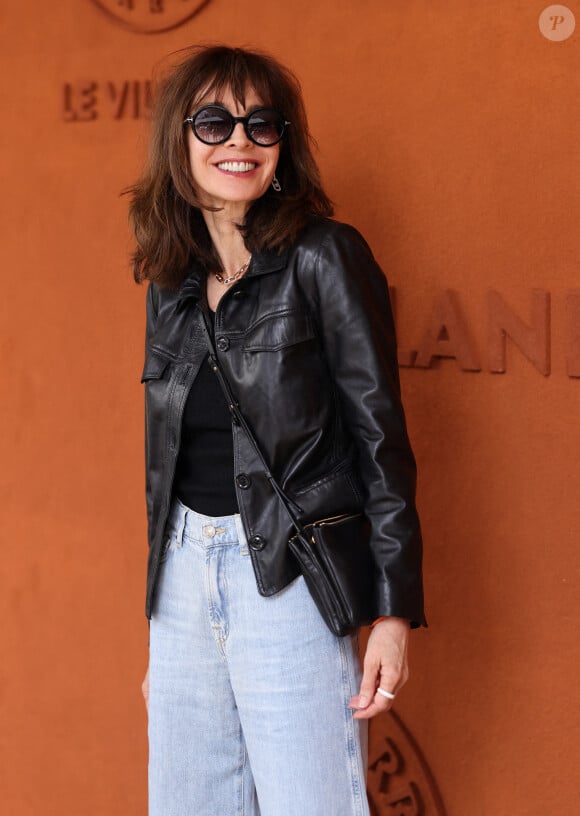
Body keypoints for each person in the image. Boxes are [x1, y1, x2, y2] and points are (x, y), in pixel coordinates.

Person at [128, 44, 426, 816]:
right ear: (179, 141)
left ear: (283, 144)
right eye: (215, 121)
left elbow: (379, 440)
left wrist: (392, 613)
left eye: (262, 124)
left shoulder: (326, 256)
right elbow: (167, 461)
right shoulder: (171, 281)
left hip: (289, 576)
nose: (240, 140)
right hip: (184, 581)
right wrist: (165, 621)